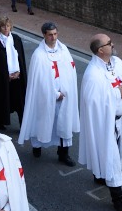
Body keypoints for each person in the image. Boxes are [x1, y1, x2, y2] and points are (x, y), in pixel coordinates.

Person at [78, 34, 122, 211]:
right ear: (100, 50)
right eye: (109, 43)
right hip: (105, 124)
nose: (112, 45)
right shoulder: (93, 74)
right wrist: (116, 93)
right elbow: (92, 101)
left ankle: (101, 174)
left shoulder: (116, 62)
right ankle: (118, 200)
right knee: (112, 158)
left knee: (119, 154)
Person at [18, 22, 79, 166]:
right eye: (50, 34)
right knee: (43, 121)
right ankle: (37, 146)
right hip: (45, 97)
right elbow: (38, 81)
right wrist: (54, 93)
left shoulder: (64, 50)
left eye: (55, 34)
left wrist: (66, 90)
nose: (53, 37)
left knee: (63, 123)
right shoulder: (39, 55)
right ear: (44, 35)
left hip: (64, 97)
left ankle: (63, 154)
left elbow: (71, 72)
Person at [0, 17, 26, 130]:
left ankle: (23, 124)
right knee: (2, 100)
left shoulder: (16, 39)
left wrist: (18, 72)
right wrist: (5, 75)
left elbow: (20, 59)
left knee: (20, 101)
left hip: (17, 77)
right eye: (3, 26)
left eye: (7, 26)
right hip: (2, 79)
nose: (6, 28)